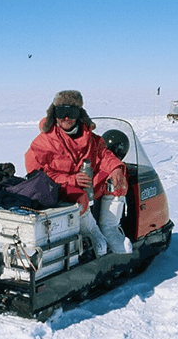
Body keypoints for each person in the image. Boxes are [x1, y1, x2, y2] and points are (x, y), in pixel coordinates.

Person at [25, 90, 132, 256]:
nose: (66, 118)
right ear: (54, 114)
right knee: (80, 196)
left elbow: (104, 154)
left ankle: (109, 229)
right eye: (61, 112)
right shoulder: (44, 141)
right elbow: (36, 173)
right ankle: (91, 233)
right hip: (59, 188)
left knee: (118, 181)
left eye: (71, 112)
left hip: (86, 184)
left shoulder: (89, 137)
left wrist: (116, 168)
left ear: (79, 114)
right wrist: (69, 179)